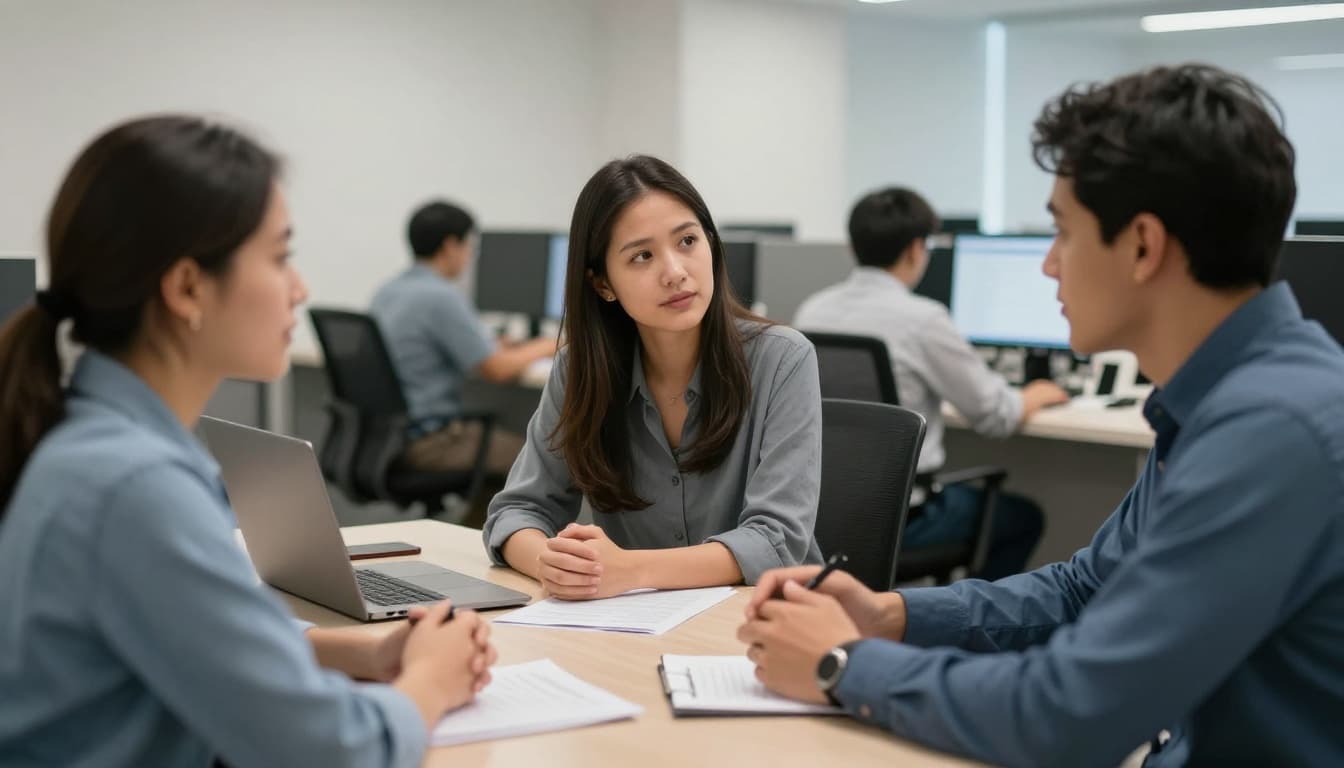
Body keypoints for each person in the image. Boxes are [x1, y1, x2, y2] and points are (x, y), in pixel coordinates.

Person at [741, 64, 1344, 767]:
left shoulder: (1275, 430)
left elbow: (1070, 714)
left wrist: (842, 667)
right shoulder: (1221, 398)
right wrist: (893, 616)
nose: (1049, 266)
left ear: (1144, 246)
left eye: (1062, 234)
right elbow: (1086, 589)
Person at [0, 116, 495, 767]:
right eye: (281, 256)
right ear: (186, 288)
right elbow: (331, 753)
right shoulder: (132, 485)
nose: (301, 288)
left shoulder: (96, 443)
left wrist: (366, 652)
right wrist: (431, 681)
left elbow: (190, 641)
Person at [482, 155, 823, 599]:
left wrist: (630, 570)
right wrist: (554, 564)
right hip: (635, 626)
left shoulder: (783, 360)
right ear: (603, 284)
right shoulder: (579, 371)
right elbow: (517, 511)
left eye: (687, 241)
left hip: (766, 621)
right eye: (642, 256)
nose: (675, 271)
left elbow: (776, 541)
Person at [794, 188, 1068, 579]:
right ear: (915, 250)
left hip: (828, 511)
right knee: (1023, 518)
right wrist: (1036, 394)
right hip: (907, 517)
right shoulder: (923, 319)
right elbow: (996, 416)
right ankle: (966, 625)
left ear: (853, 248)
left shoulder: (812, 309)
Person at [371, 200, 556, 478]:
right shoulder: (441, 297)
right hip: (432, 440)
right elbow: (498, 370)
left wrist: (498, 344)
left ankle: (486, 521)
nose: (471, 255)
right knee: (542, 462)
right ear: (450, 246)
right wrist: (553, 344)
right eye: (469, 245)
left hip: (385, 438)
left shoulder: (388, 292)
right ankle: (495, 523)